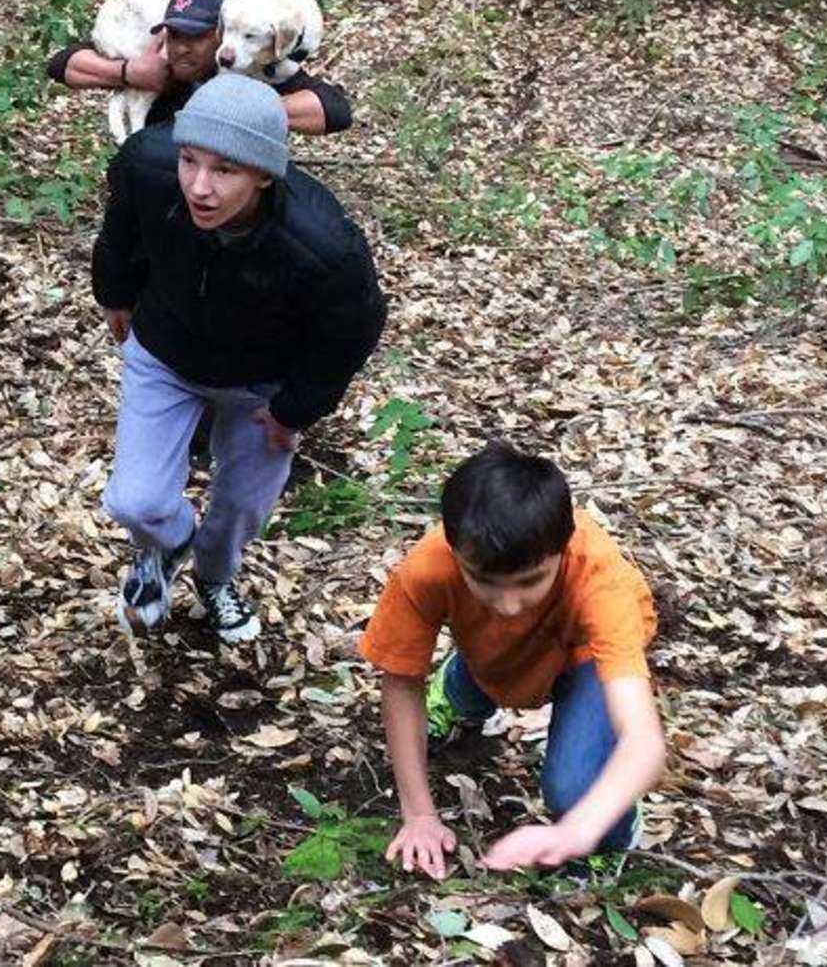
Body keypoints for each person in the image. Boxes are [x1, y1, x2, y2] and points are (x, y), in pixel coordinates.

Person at [93, 74, 385, 642]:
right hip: (167, 352)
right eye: (190, 161)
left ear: (263, 174)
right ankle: (168, 542)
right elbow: (120, 234)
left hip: (262, 384)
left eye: (224, 170)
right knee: (135, 500)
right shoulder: (148, 168)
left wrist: (294, 409)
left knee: (242, 508)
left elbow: (352, 330)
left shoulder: (321, 243)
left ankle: (214, 578)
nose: (199, 187)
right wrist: (114, 294)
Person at [360, 442, 665, 876]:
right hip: (491, 647)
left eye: (530, 581)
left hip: (584, 653)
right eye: (483, 580)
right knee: (496, 657)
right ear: (454, 551)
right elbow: (402, 678)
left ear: (563, 548)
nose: (508, 604)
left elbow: (644, 741)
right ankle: (457, 687)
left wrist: (577, 830)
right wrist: (419, 815)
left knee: (572, 787)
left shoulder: (601, 581)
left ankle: (610, 841)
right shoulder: (428, 569)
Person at [47, 0, 353, 136]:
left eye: (195, 38)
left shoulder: (247, 68)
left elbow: (335, 111)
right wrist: (128, 72)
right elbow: (62, 64)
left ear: (216, 35)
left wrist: (240, 110)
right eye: (175, 35)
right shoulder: (161, 65)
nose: (182, 48)